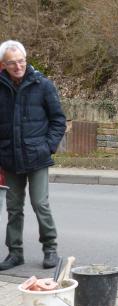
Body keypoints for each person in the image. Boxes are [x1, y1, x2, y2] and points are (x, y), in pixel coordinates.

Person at [0, 40, 66, 271]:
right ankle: (15, 252)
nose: (18, 66)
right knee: (13, 207)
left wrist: (48, 146)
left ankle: (50, 249)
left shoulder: (42, 84)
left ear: (26, 60)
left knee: (40, 203)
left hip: (37, 156)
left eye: (21, 61)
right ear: (3, 64)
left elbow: (58, 120)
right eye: (12, 63)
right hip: (9, 159)